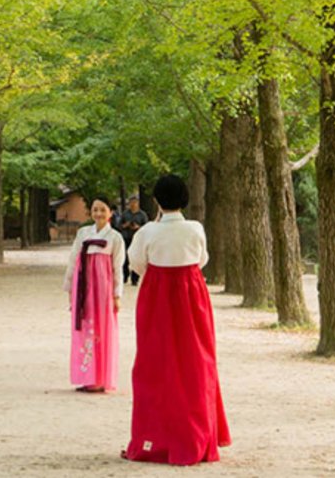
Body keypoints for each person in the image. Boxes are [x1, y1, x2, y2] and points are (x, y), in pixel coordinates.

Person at [123, 174, 230, 465]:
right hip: (192, 296)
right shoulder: (195, 228)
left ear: (156, 200)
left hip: (157, 296)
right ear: (184, 199)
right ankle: (198, 435)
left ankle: (155, 437)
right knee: (196, 362)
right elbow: (202, 259)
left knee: (154, 365)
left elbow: (136, 263)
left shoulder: (147, 231)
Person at [63, 196, 125, 393]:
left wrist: (117, 294)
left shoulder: (115, 237)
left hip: (103, 287)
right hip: (84, 285)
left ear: (110, 213)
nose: (98, 213)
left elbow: (118, 267)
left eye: (102, 210)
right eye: (95, 209)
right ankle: (86, 376)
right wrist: (70, 287)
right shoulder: (83, 233)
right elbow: (73, 260)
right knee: (85, 327)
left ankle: (100, 377)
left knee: (102, 327)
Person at [119, 196, 148, 285]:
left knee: (136, 258)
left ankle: (135, 279)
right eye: (131, 203)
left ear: (138, 203)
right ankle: (124, 276)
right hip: (126, 237)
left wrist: (138, 227)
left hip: (137, 239)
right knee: (125, 258)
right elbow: (119, 225)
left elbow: (146, 227)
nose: (133, 205)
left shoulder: (142, 215)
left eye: (135, 203)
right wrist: (125, 225)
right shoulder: (125, 214)